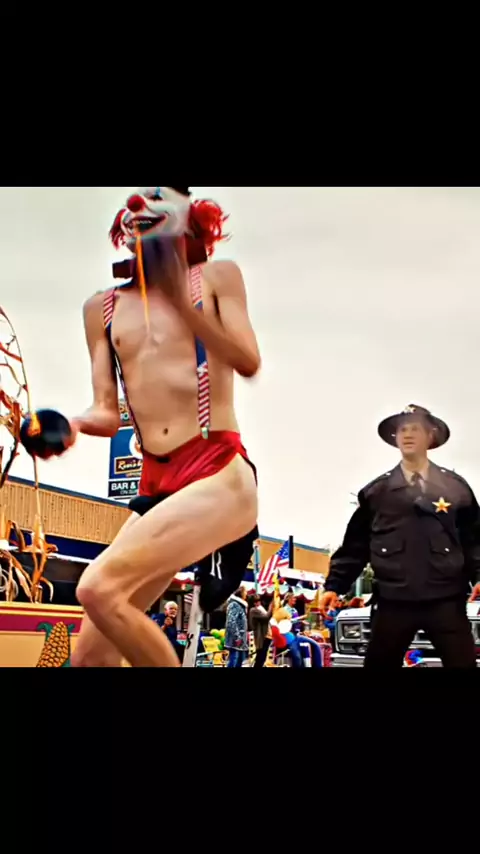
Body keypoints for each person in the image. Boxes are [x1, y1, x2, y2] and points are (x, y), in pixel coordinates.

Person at [68, 186, 261, 667]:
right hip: (156, 483)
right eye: (132, 198)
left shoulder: (215, 277)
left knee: (97, 589)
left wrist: (179, 300)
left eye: (156, 195)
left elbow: (247, 359)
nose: (139, 205)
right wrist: (69, 423)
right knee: (91, 655)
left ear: (189, 215)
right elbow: (106, 411)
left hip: (217, 472)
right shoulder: (101, 308)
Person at [320, 404, 480, 669]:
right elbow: (355, 547)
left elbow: (474, 540)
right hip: (393, 601)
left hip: (446, 600)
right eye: (402, 430)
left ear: (430, 436)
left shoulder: (455, 488)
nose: (407, 434)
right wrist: (334, 586)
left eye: (415, 429)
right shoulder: (377, 493)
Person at [225, 587, 248, 667]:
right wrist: (237, 637)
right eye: (245, 592)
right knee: (234, 660)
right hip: (236, 640)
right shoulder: (234, 605)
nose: (246, 594)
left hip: (240, 640)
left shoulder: (241, 605)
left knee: (239, 661)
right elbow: (231, 622)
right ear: (241, 593)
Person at [249, 594, 273, 668]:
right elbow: (266, 617)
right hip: (262, 637)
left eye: (259, 600)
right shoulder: (253, 610)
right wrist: (271, 608)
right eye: (256, 601)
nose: (258, 602)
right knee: (260, 658)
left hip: (267, 635)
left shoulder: (260, 608)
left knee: (262, 657)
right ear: (253, 603)